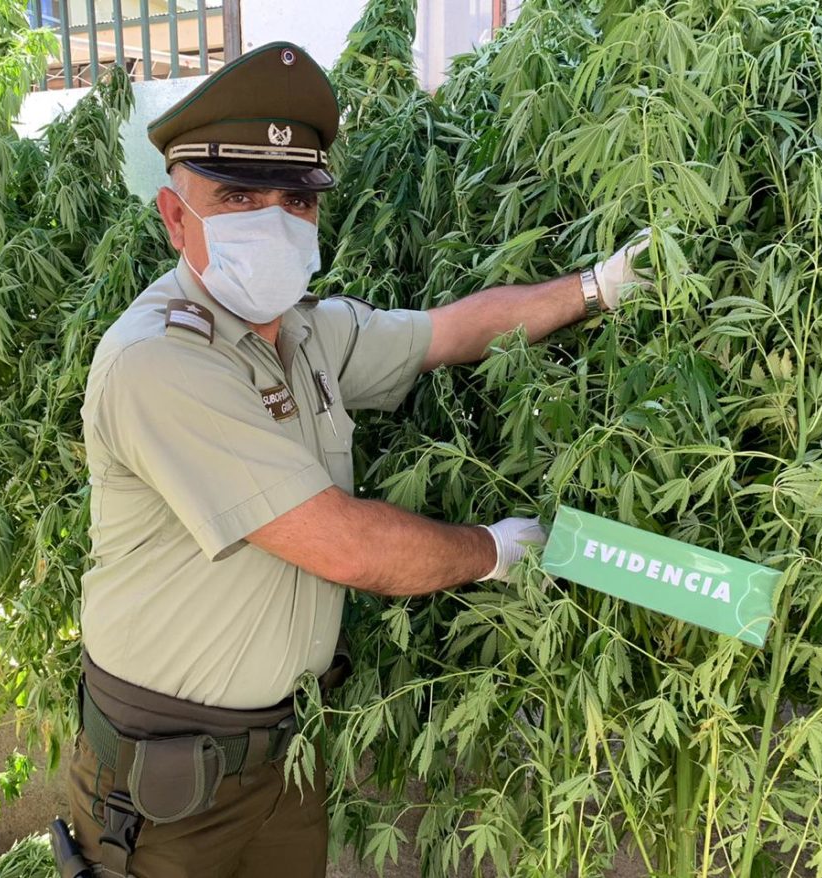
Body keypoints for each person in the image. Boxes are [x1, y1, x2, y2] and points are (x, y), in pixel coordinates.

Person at [66, 41, 650, 878]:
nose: (271, 219)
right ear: (173, 217)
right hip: (165, 790)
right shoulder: (163, 361)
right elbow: (348, 547)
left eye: (293, 200)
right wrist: (493, 552)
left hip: (283, 757)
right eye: (237, 196)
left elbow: (451, 332)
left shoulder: (308, 333)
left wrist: (597, 287)